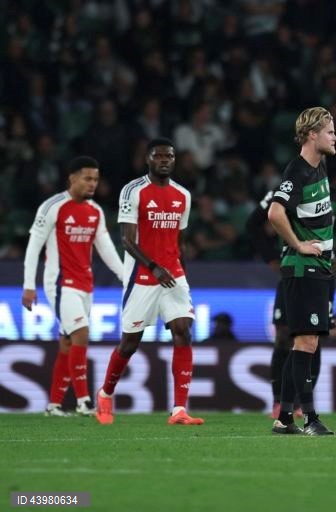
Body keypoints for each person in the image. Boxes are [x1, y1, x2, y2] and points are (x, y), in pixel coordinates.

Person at [95, 137, 204, 426]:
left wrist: (176, 268)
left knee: (183, 330)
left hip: (173, 275)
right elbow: (127, 240)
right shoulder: (133, 191)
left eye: (169, 156)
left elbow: (178, 239)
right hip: (142, 276)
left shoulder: (183, 195)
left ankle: (179, 409)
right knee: (130, 343)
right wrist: (154, 267)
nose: (164, 160)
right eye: (158, 156)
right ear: (148, 159)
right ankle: (105, 394)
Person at [22, 156, 123, 417]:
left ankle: (54, 405)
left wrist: (126, 276)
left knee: (67, 343)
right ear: (72, 178)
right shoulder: (52, 207)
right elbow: (34, 247)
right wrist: (28, 286)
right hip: (59, 283)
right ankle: (84, 402)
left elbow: (106, 249)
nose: (92, 184)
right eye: (87, 178)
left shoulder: (95, 212)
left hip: (85, 284)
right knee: (81, 333)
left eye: (96, 179)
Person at [248, 183, 336, 420]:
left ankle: (299, 404)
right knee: (284, 336)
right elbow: (253, 223)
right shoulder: (285, 191)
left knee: (313, 338)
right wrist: (269, 257)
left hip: (322, 274)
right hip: (292, 271)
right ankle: (279, 402)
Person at [267, 106, 336, 436]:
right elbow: (275, 212)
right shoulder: (297, 171)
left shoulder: (318, 165)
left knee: (305, 344)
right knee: (306, 342)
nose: (335, 136)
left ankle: (283, 419)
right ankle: (309, 418)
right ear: (312, 135)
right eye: (329, 130)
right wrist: (298, 244)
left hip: (318, 267)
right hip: (303, 267)